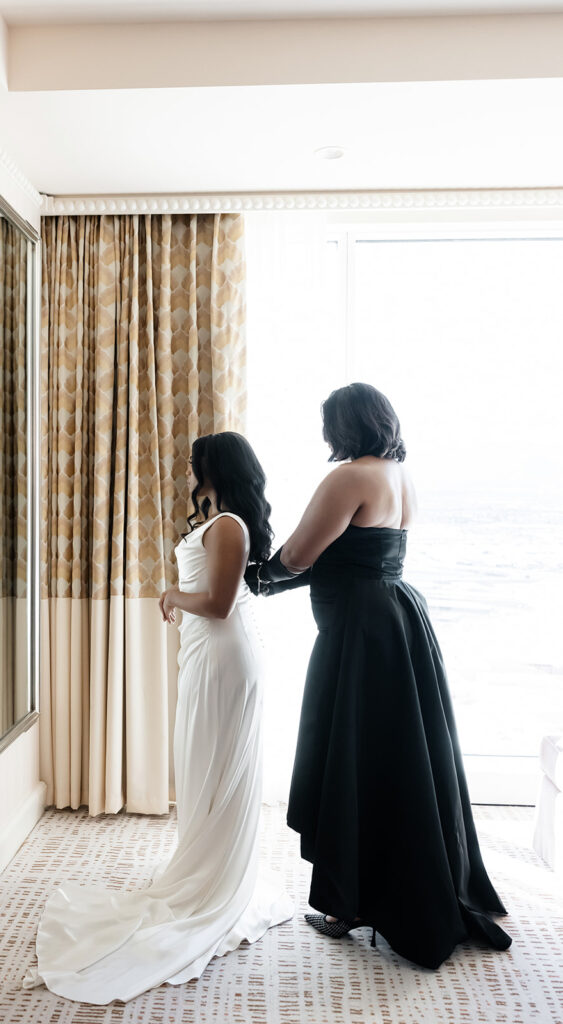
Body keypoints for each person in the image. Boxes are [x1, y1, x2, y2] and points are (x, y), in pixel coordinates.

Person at [246, 383, 512, 970]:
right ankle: (369, 893)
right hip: (398, 618)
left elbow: (301, 556)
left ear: (345, 425)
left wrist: (259, 573)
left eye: (328, 426)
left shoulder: (348, 477)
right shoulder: (401, 475)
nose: (324, 438)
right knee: (395, 757)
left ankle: (352, 903)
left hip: (360, 632)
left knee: (352, 757)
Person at [24, 431, 293, 1004]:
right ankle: (204, 866)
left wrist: (173, 595)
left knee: (210, 764)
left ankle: (212, 882)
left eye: (196, 460)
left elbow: (219, 603)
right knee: (200, 767)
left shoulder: (229, 526)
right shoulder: (218, 521)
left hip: (225, 656)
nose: (189, 466)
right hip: (209, 655)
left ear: (216, 466)